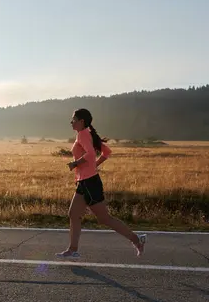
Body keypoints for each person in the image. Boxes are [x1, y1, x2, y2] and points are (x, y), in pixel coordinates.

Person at [56, 108, 146, 258]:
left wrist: (75, 163)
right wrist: (94, 165)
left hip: (90, 183)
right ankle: (73, 250)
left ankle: (137, 240)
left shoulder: (83, 134)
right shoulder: (89, 135)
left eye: (73, 119)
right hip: (84, 182)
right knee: (73, 214)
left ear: (81, 121)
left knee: (104, 219)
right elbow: (107, 152)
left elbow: (90, 154)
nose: (71, 122)